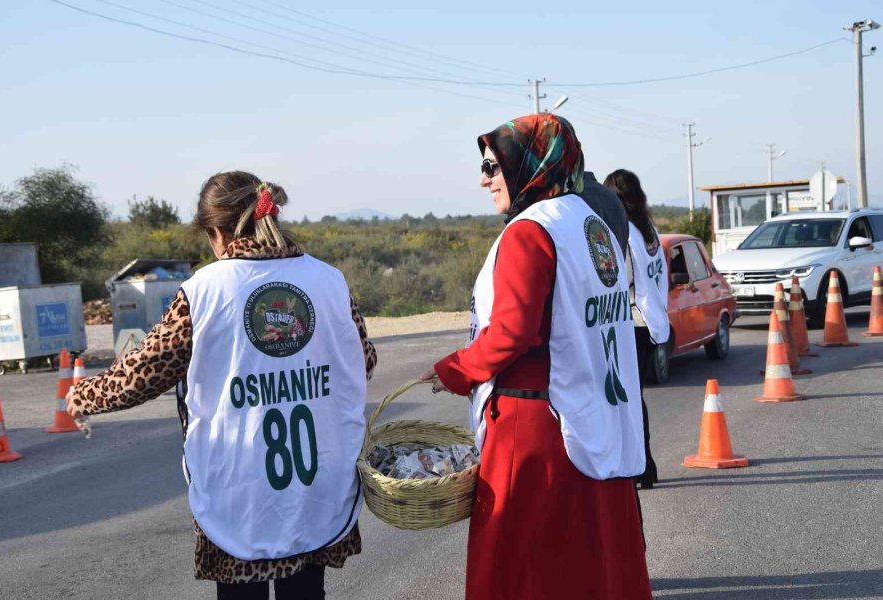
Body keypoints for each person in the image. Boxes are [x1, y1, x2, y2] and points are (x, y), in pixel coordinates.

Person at [66, 171, 377, 600]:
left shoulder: (204, 290)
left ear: (217, 232)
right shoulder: (329, 280)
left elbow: (144, 374)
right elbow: (364, 360)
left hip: (240, 488)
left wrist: (83, 395)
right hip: (314, 487)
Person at [421, 114, 652, 600]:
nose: (484, 178)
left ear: (529, 165)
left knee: (525, 567)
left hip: (537, 428)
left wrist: (454, 370)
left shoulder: (531, 232)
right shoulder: (593, 225)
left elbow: (511, 333)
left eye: (493, 164)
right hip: (592, 413)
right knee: (593, 564)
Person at [604, 169, 670, 490]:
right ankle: (645, 465)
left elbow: (624, 280)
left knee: (627, 398)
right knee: (635, 396)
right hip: (651, 322)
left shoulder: (625, 233)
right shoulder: (650, 231)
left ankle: (640, 465)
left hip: (633, 321)